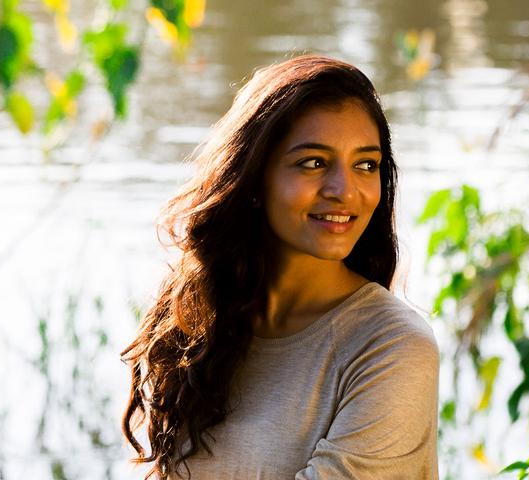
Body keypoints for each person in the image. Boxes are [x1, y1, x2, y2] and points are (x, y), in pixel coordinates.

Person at [121, 55, 440, 480]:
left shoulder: (392, 349)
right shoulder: (199, 326)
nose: (344, 191)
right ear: (253, 177)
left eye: (366, 164)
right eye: (314, 162)